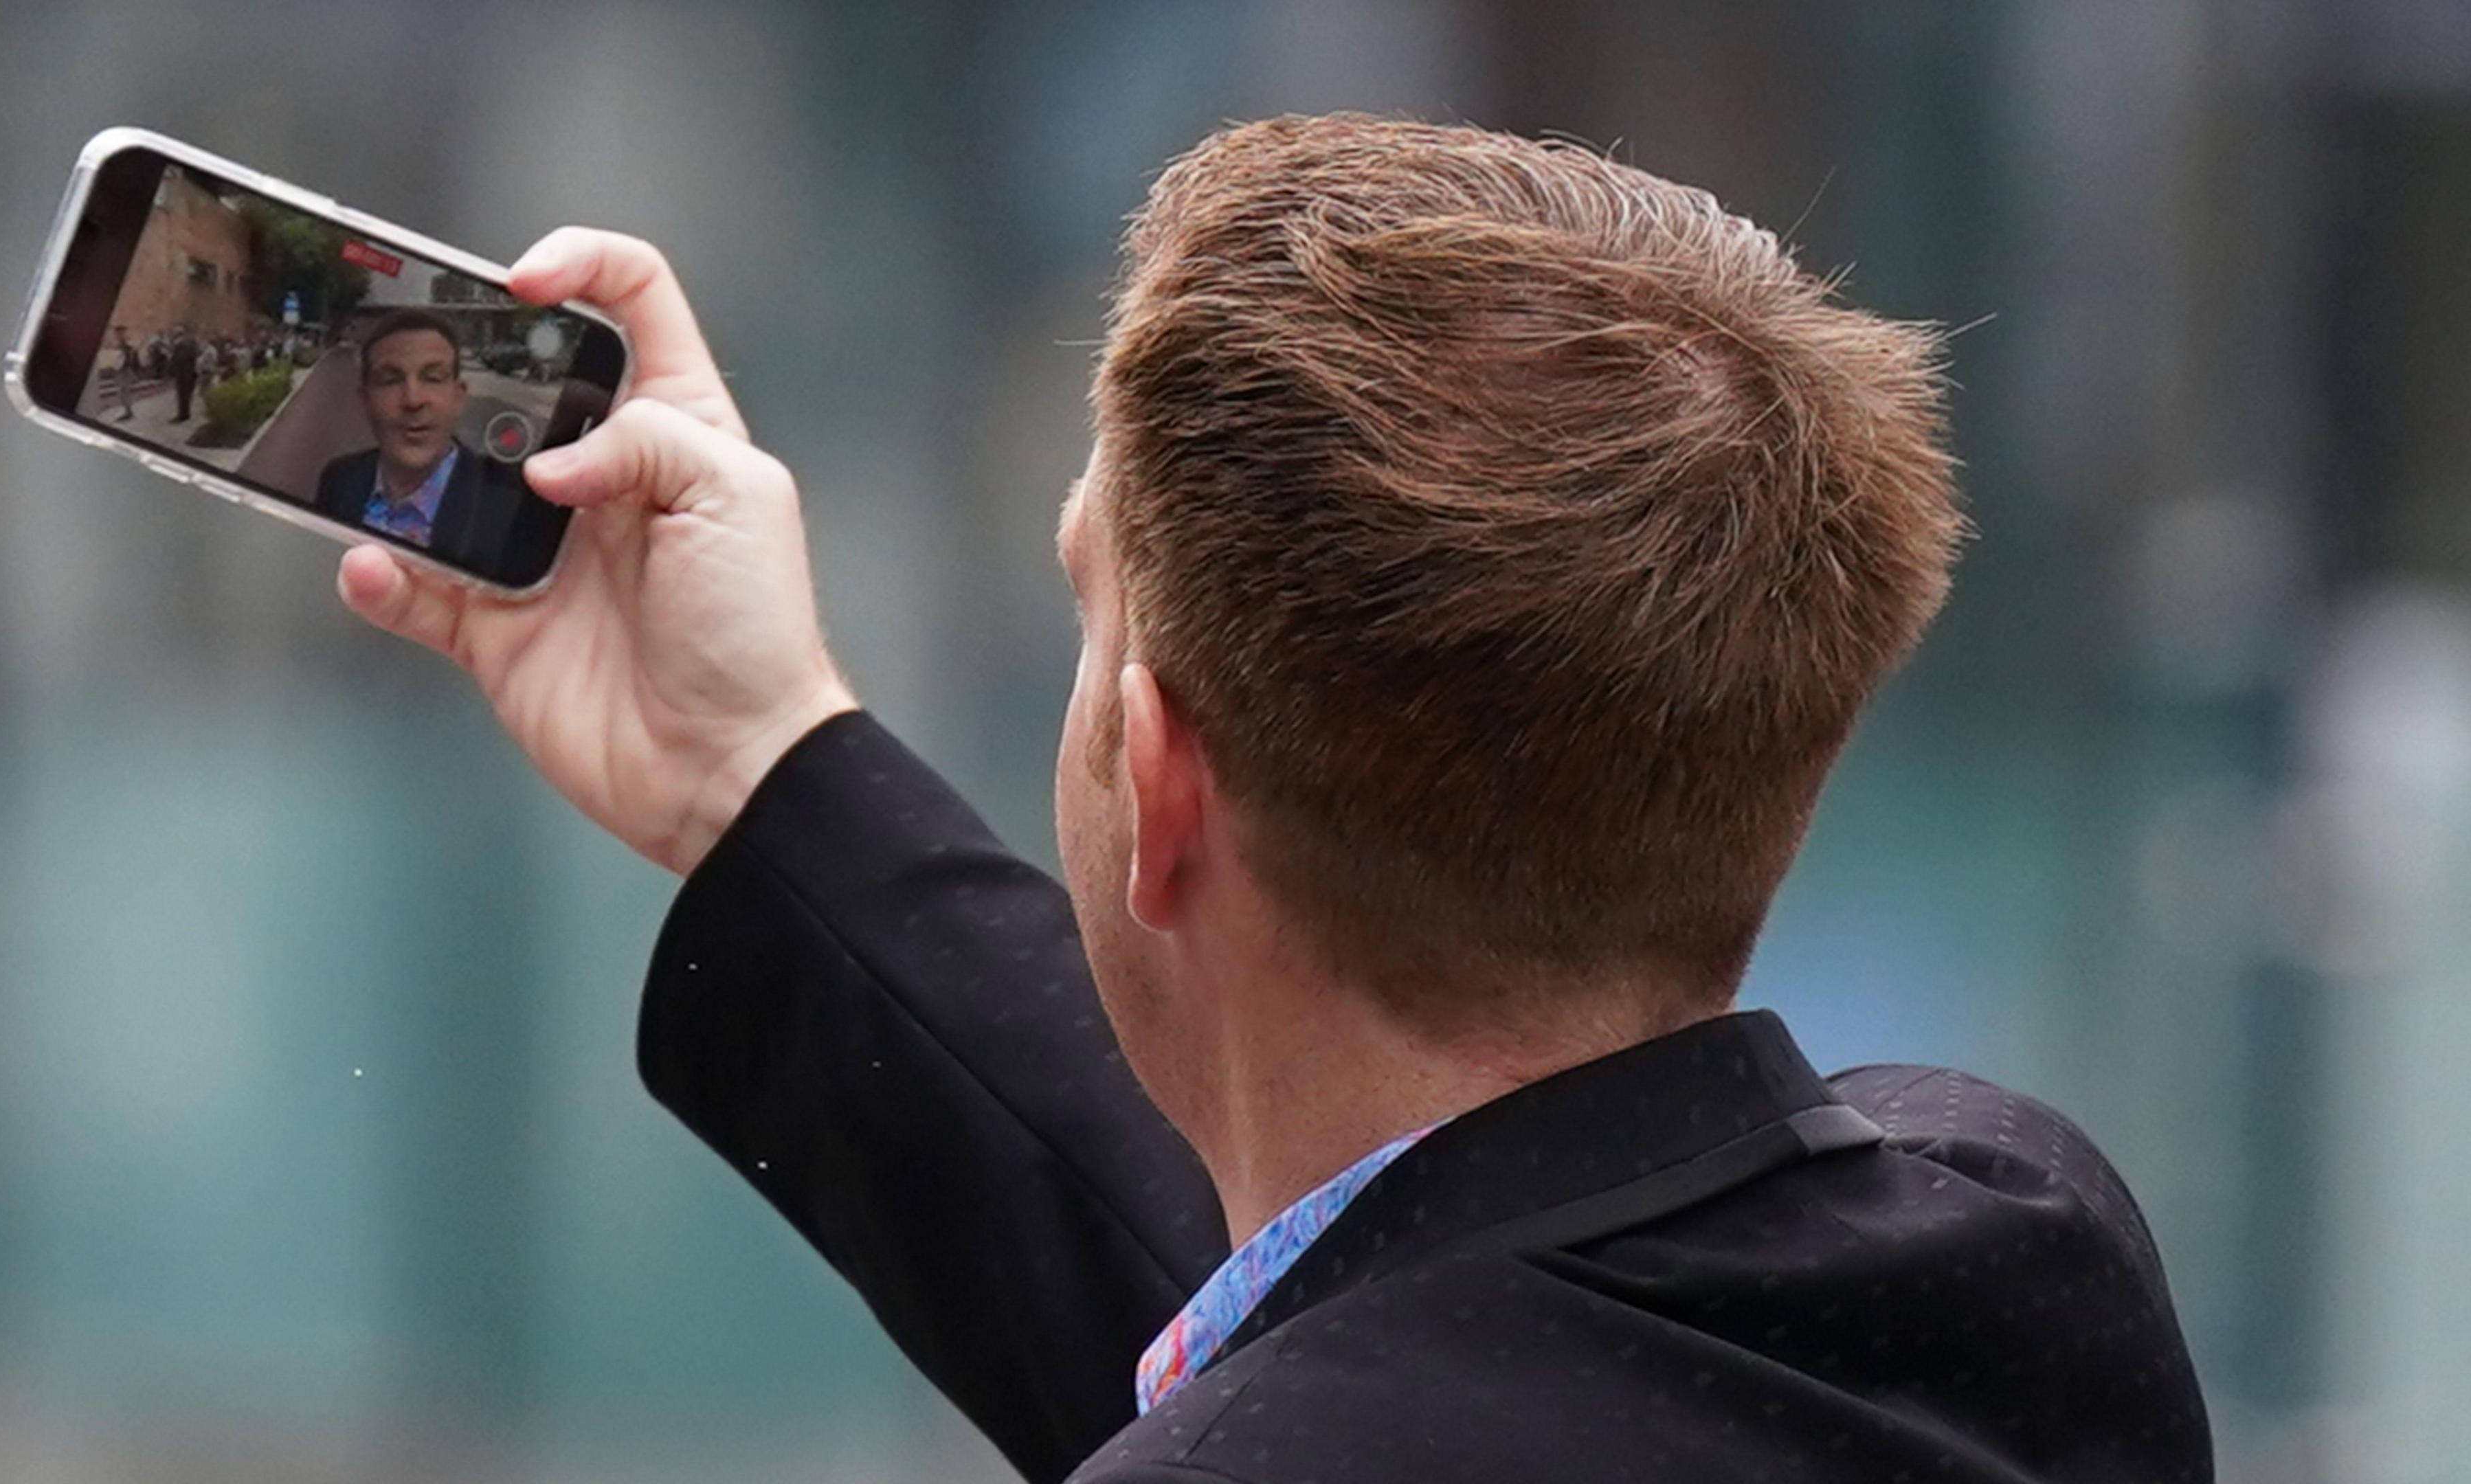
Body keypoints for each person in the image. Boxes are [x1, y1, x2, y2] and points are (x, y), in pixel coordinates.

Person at [335, 117, 2213, 1483]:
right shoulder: (2013, 1263)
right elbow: (1401, 1327)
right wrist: (759, 769)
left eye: (1087, 613)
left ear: (1154, 784)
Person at [313, 308, 516, 573]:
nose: (413, 400)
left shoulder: (509, 502)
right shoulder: (338, 480)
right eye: (390, 380)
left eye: (432, 378)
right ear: (366, 401)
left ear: (459, 397)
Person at [166, 326, 199, 424]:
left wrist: (172, 358)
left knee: (183, 395)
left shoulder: (182, 343)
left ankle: (183, 415)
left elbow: (180, 358)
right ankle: (186, 414)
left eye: (175, 331)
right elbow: (195, 354)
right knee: (186, 395)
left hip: (184, 372)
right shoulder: (192, 341)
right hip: (189, 372)